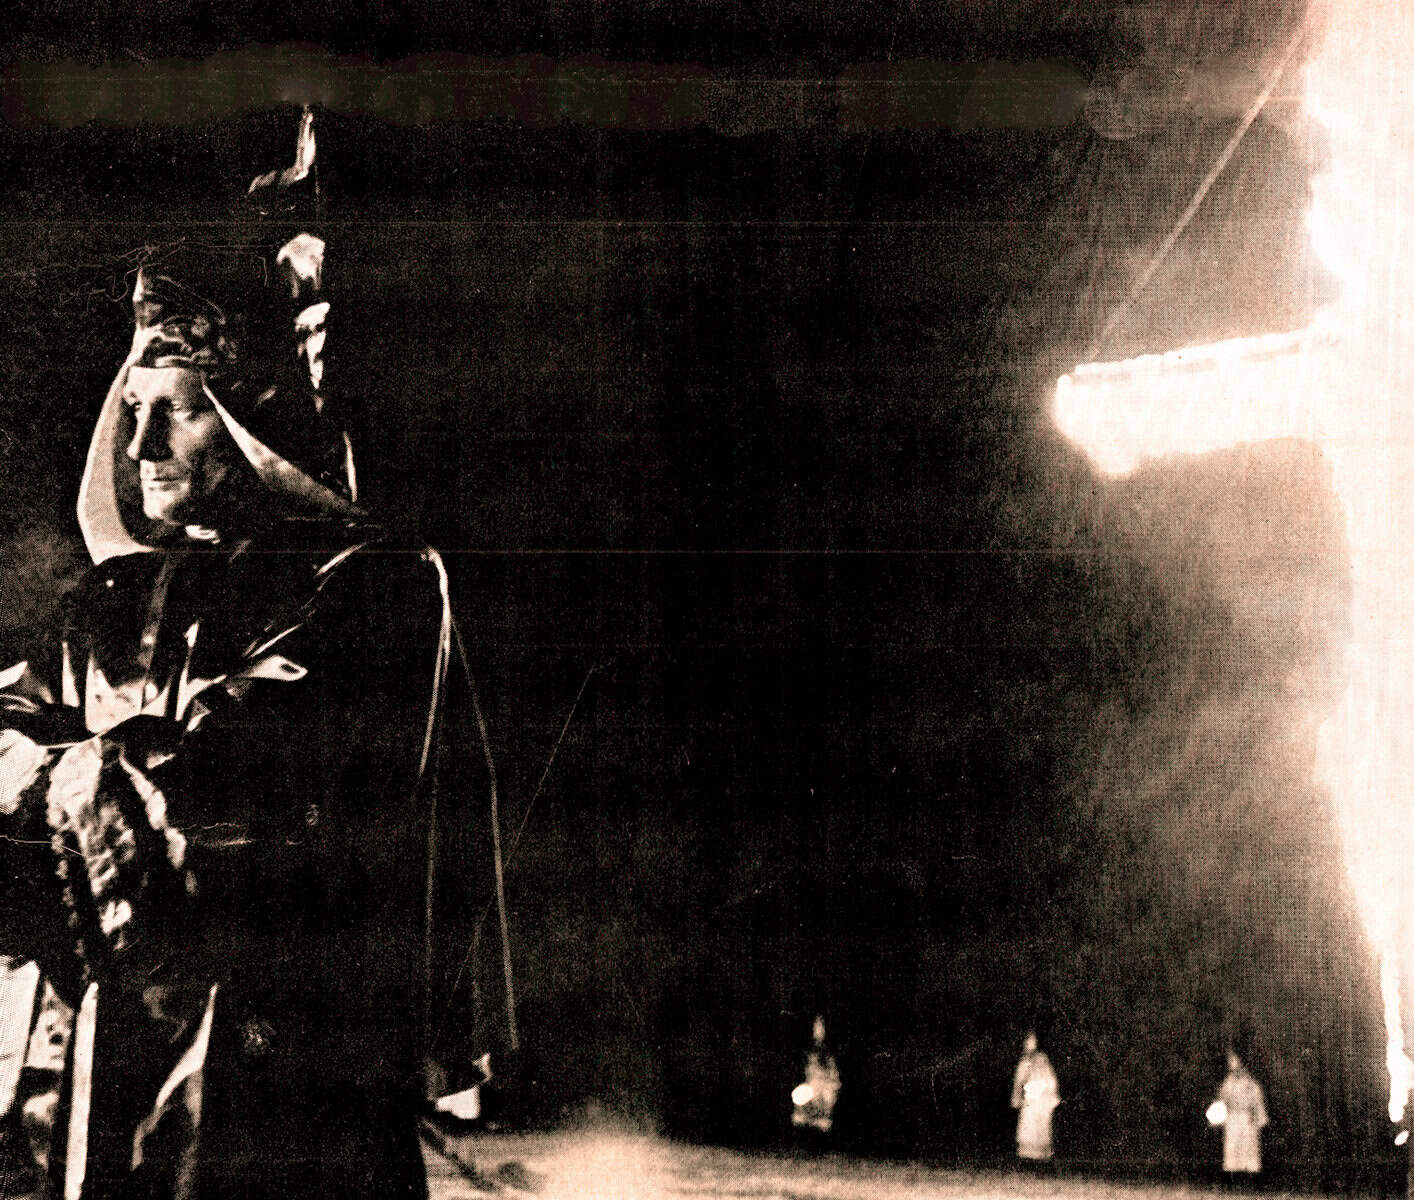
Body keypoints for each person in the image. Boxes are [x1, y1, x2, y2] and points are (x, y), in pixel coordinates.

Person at [0, 113, 504, 1199]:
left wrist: (79, 773)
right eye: (131, 412)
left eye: (174, 417)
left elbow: (233, 769)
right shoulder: (123, 595)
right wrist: (48, 766)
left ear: (248, 422)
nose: (137, 450)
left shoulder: (371, 589)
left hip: (267, 1055)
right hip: (101, 1048)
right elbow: (26, 716)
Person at [1214, 1050, 1268, 1176]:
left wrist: (1258, 1118)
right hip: (1232, 1118)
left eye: (1235, 1061)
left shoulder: (1251, 1084)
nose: (1233, 1064)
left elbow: (1257, 1101)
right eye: (1231, 1062)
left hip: (1247, 1118)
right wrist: (1218, 1117)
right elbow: (1222, 1100)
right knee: (1232, 1147)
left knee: (1248, 1148)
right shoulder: (1227, 1083)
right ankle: (1233, 1178)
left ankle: (1249, 1178)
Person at [1010, 1031, 1059, 1164]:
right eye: (1028, 1041)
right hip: (1030, 1097)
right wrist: (1016, 1096)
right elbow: (1019, 1081)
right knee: (1028, 1126)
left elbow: (1050, 1077)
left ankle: (1042, 1158)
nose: (1030, 1043)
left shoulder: (1042, 1058)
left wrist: (1051, 1094)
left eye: (1032, 1040)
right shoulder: (1024, 1061)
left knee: (1041, 1127)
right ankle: (1027, 1157)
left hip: (1042, 1097)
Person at [791, 1015, 841, 1136]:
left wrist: (826, 1084)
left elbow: (834, 1078)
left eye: (821, 1026)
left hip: (825, 1089)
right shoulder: (807, 1051)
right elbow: (804, 1075)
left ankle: (823, 1122)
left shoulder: (829, 1054)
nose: (818, 1030)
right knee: (800, 1095)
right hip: (812, 1089)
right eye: (816, 1026)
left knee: (828, 1095)